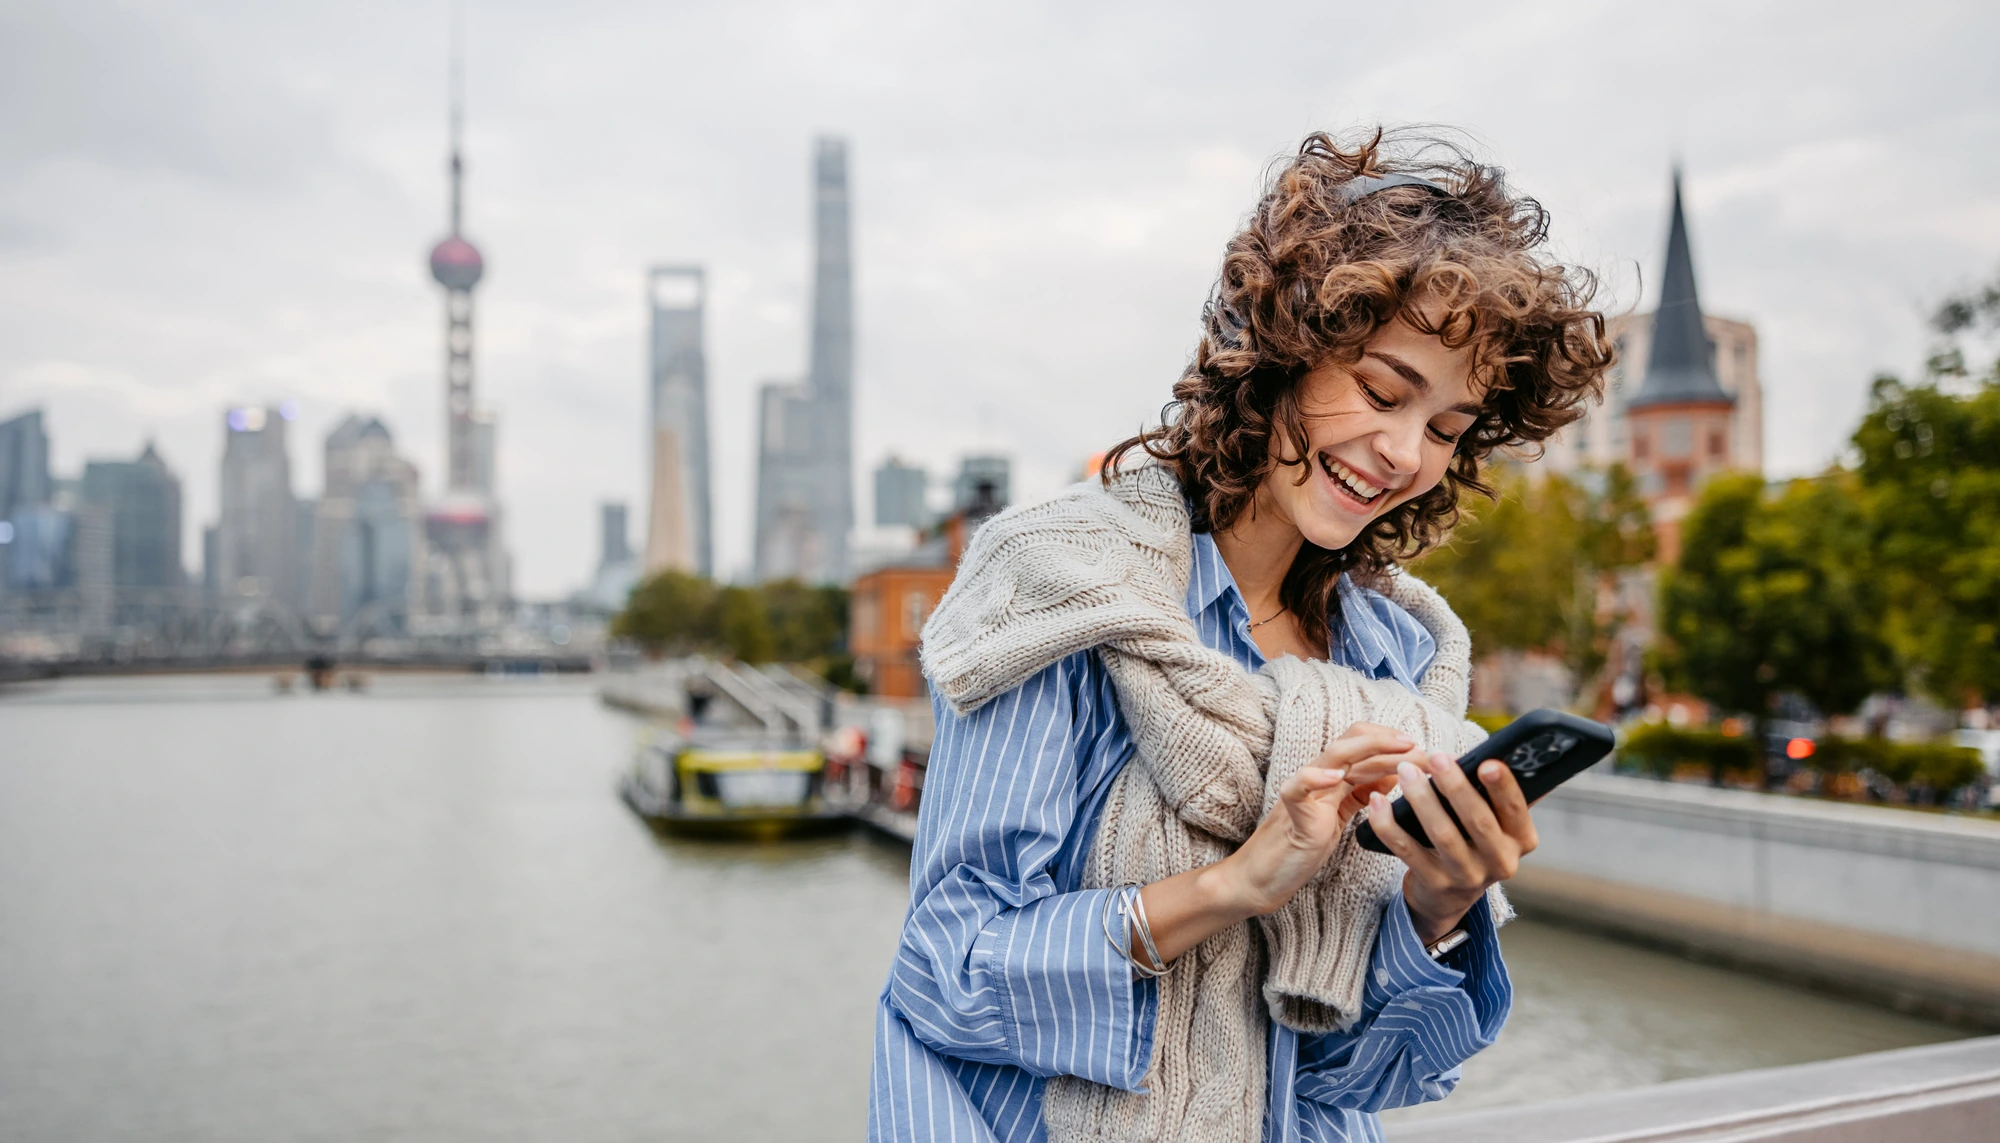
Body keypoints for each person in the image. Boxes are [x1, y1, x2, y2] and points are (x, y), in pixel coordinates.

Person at [870, 129, 1613, 1143]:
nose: (1402, 454)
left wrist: (1435, 908)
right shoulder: (1067, 591)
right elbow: (946, 975)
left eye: (1445, 429)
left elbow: (1350, 1079)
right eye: (1383, 391)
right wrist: (1233, 886)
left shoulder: (1394, 665)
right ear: (1283, 351)